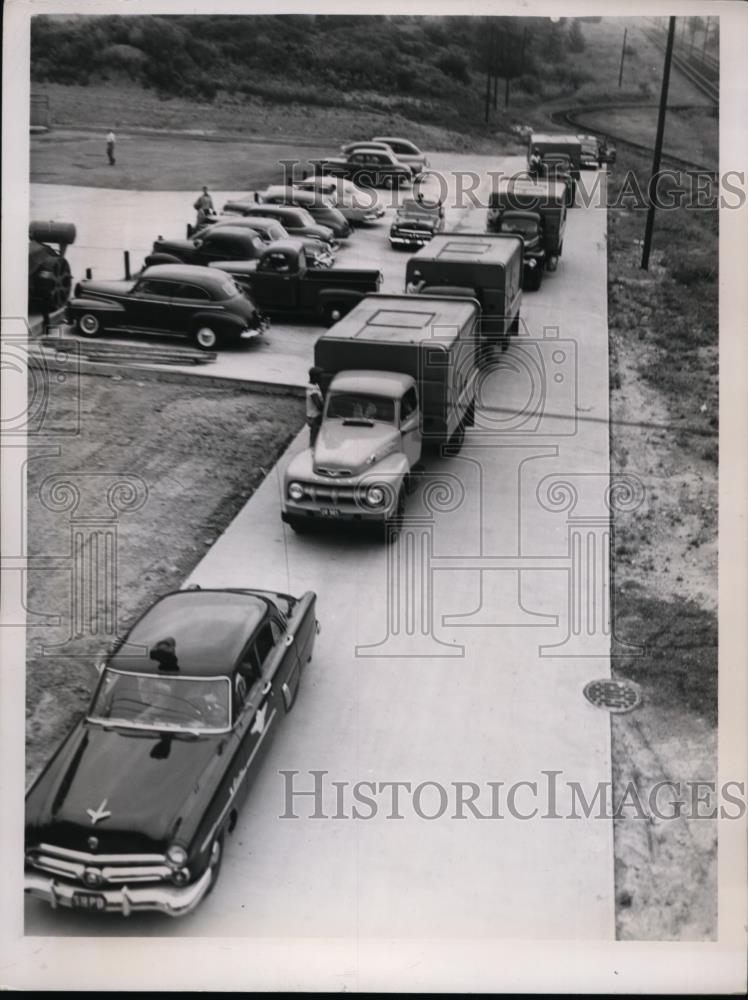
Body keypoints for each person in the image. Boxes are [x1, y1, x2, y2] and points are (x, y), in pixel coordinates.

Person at [306, 366, 325, 447]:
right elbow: (318, 405)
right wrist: (326, 409)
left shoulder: (315, 386)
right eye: (320, 376)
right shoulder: (312, 389)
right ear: (315, 377)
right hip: (314, 417)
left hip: (315, 416)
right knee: (314, 439)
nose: (322, 377)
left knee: (316, 437)